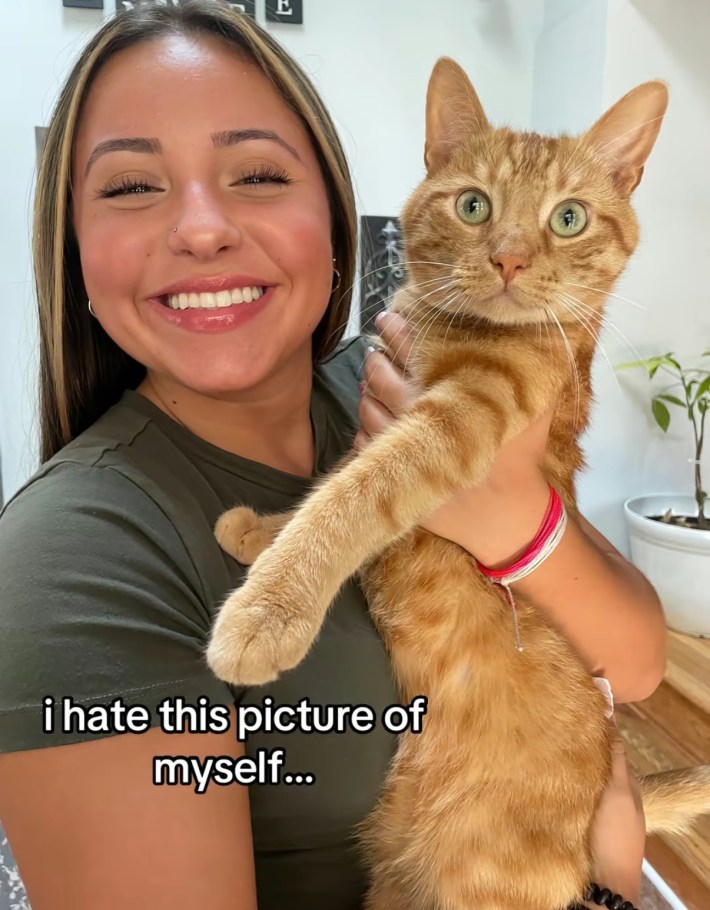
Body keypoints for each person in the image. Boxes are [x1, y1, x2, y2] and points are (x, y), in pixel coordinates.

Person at [0, 2, 662, 908]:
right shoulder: (71, 557)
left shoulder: (382, 379)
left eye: (256, 174)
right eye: (132, 186)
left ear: (334, 204)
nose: (202, 229)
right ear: (72, 241)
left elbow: (637, 663)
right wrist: (611, 889)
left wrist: (516, 518)